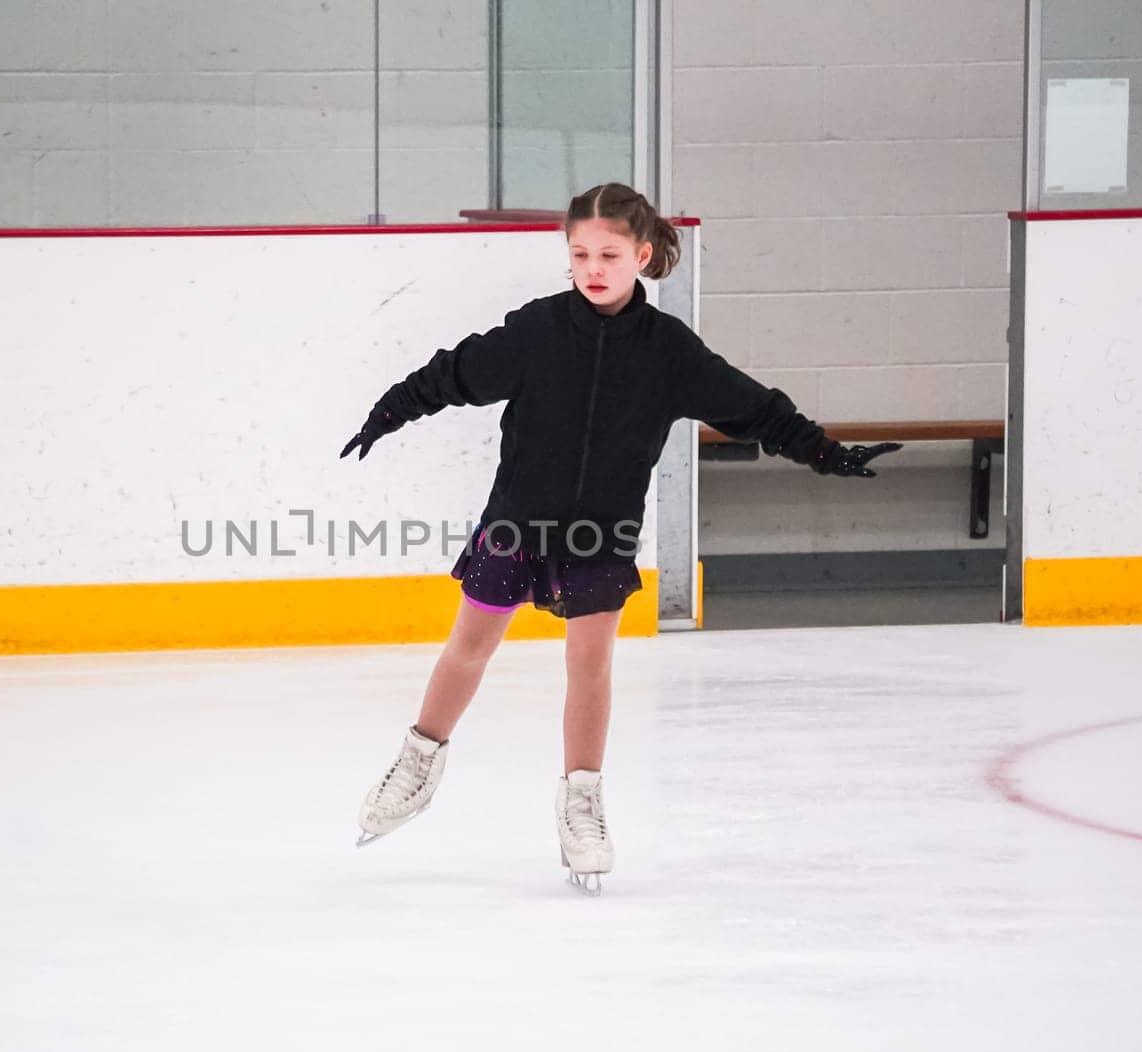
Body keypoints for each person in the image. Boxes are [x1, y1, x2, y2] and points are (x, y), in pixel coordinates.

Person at [339, 182, 900, 895]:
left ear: (641, 255)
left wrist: (824, 451)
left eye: (608, 253)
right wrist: (391, 410)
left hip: (601, 531)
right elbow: (456, 372)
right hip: (518, 517)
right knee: (470, 644)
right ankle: (419, 761)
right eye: (580, 254)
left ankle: (581, 800)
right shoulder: (539, 330)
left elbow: (750, 406)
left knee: (590, 664)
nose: (593, 267)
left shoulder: (669, 352)